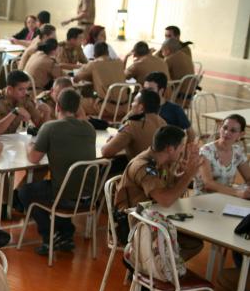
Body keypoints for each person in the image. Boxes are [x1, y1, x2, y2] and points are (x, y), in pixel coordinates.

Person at [19, 89, 96, 255]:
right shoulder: (89, 128)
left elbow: (33, 158)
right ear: (77, 108)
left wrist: (29, 145)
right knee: (62, 184)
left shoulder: (50, 128)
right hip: (88, 195)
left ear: (57, 107)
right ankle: (65, 233)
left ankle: (50, 235)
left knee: (25, 192)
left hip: (63, 195)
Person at [113, 125, 203, 263]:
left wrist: (182, 176)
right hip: (132, 225)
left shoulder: (162, 161)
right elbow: (166, 200)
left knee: (194, 241)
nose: (182, 150)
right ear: (170, 149)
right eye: (181, 146)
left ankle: (156, 267)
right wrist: (188, 176)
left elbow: (170, 192)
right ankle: (149, 266)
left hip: (152, 217)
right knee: (191, 243)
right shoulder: (143, 166)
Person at [101, 90, 166, 161]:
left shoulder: (132, 125)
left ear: (141, 108)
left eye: (134, 101)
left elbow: (106, 152)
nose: (131, 104)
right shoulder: (163, 123)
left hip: (140, 169)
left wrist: (111, 142)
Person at [195, 114, 249, 197]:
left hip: (227, 198)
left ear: (241, 134)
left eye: (233, 130)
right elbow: (208, 184)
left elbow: (248, 178)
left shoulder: (237, 151)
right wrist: (238, 193)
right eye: (225, 128)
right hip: (204, 199)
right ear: (220, 128)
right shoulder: (206, 150)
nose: (226, 132)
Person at [0, 70, 49, 136]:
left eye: (26, 89)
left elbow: (40, 129)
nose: (25, 92)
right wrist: (15, 112)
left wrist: (46, 113)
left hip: (11, 139)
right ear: (9, 89)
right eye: (21, 89)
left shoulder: (25, 98)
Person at [74, 41, 125, 108]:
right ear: (108, 52)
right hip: (125, 106)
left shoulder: (94, 64)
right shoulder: (119, 63)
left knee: (75, 103)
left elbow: (76, 78)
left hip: (107, 107)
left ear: (94, 55)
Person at [143, 71, 193, 138]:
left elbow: (191, 133)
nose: (146, 93)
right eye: (145, 89)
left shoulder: (175, 110)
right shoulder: (141, 107)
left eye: (150, 90)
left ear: (161, 91)